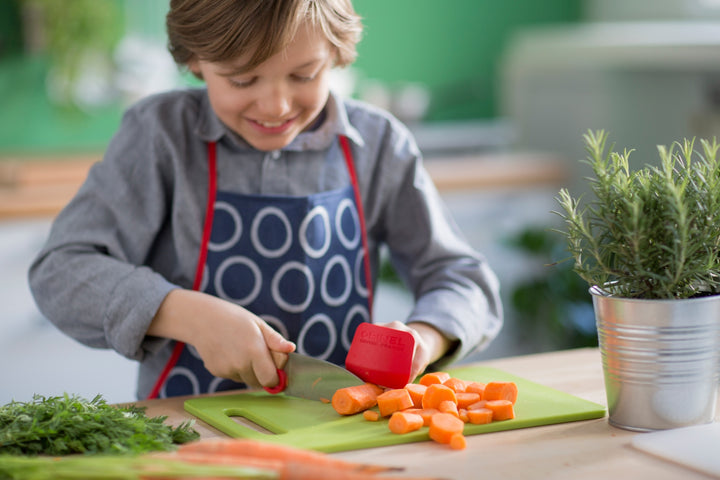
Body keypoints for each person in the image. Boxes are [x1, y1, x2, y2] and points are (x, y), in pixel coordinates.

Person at [28, 0, 502, 400]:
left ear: (336, 55)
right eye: (241, 80)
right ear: (196, 60)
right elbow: (61, 271)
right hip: (186, 432)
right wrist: (188, 314)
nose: (275, 105)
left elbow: (463, 279)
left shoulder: (379, 146)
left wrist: (426, 336)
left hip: (337, 429)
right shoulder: (160, 136)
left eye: (304, 74)